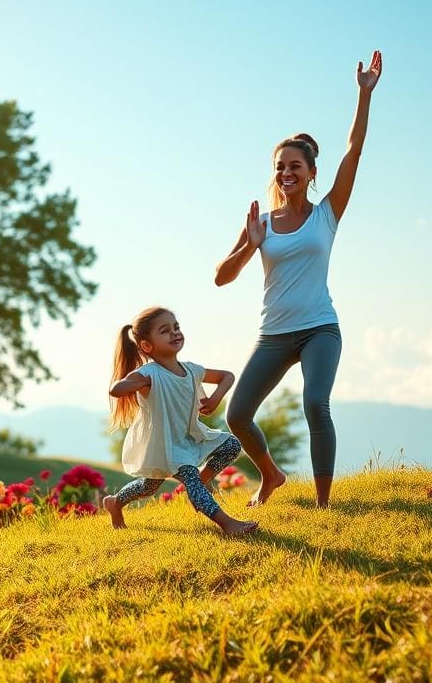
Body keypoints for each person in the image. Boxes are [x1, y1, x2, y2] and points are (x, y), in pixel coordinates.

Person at [214, 50, 383, 508]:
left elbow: (354, 151)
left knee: (315, 403)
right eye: (280, 166)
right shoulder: (261, 223)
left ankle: (324, 504)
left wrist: (363, 95)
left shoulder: (328, 213)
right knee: (239, 415)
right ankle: (271, 475)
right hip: (273, 335)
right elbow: (220, 279)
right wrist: (249, 244)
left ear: (310, 173)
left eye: (295, 166)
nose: (286, 172)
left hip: (319, 329)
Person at [102, 306, 258, 535]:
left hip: (189, 436)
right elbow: (116, 389)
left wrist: (215, 399)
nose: (175, 333)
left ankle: (115, 502)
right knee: (159, 483)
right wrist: (139, 383)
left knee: (230, 445)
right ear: (147, 346)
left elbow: (227, 376)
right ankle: (228, 524)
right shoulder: (150, 374)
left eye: (176, 327)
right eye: (165, 331)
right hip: (165, 444)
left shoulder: (191, 370)